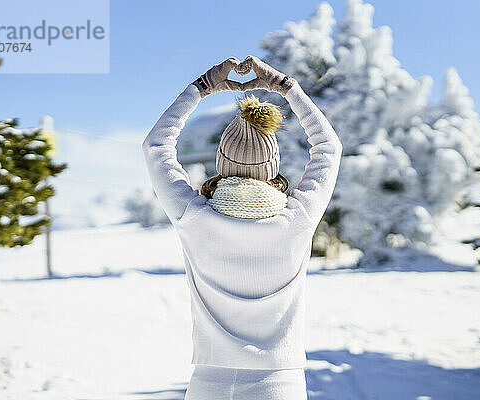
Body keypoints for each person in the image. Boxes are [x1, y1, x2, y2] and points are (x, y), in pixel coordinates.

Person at [142, 55, 343, 400]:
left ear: (220, 163)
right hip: (280, 385)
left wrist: (202, 87)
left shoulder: (194, 216)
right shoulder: (298, 219)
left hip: (209, 384)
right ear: (272, 167)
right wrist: (286, 87)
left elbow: (156, 146)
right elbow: (328, 149)